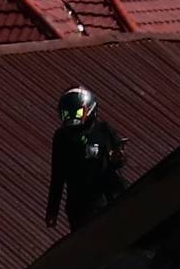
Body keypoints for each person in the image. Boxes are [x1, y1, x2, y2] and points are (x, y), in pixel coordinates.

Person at [44, 85, 127, 228]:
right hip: (80, 207)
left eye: (77, 114)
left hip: (108, 197)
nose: (72, 119)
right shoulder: (61, 138)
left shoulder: (103, 130)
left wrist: (118, 158)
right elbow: (57, 175)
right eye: (67, 114)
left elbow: (118, 159)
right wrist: (52, 211)